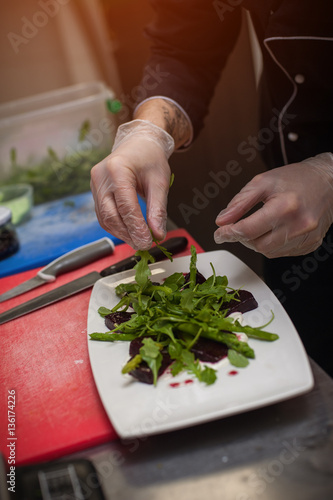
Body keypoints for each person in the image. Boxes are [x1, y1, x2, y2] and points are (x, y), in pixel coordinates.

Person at [90, 1, 333, 377]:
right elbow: (186, 48)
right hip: (292, 219)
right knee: (304, 370)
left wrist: (329, 174)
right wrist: (149, 132)